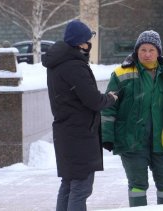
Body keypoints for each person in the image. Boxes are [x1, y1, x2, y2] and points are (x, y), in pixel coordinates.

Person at [101, 30, 163, 207]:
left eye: (151, 50)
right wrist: (107, 136)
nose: (147, 54)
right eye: (143, 50)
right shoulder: (121, 73)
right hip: (131, 141)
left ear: (158, 52)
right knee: (137, 185)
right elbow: (109, 107)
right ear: (136, 51)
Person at [42, 20, 118, 211]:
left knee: (68, 186)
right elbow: (93, 100)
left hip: (67, 131)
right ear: (80, 43)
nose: (89, 44)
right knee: (80, 188)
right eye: (87, 40)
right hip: (79, 134)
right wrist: (110, 98)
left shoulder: (58, 63)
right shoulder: (74, 66)